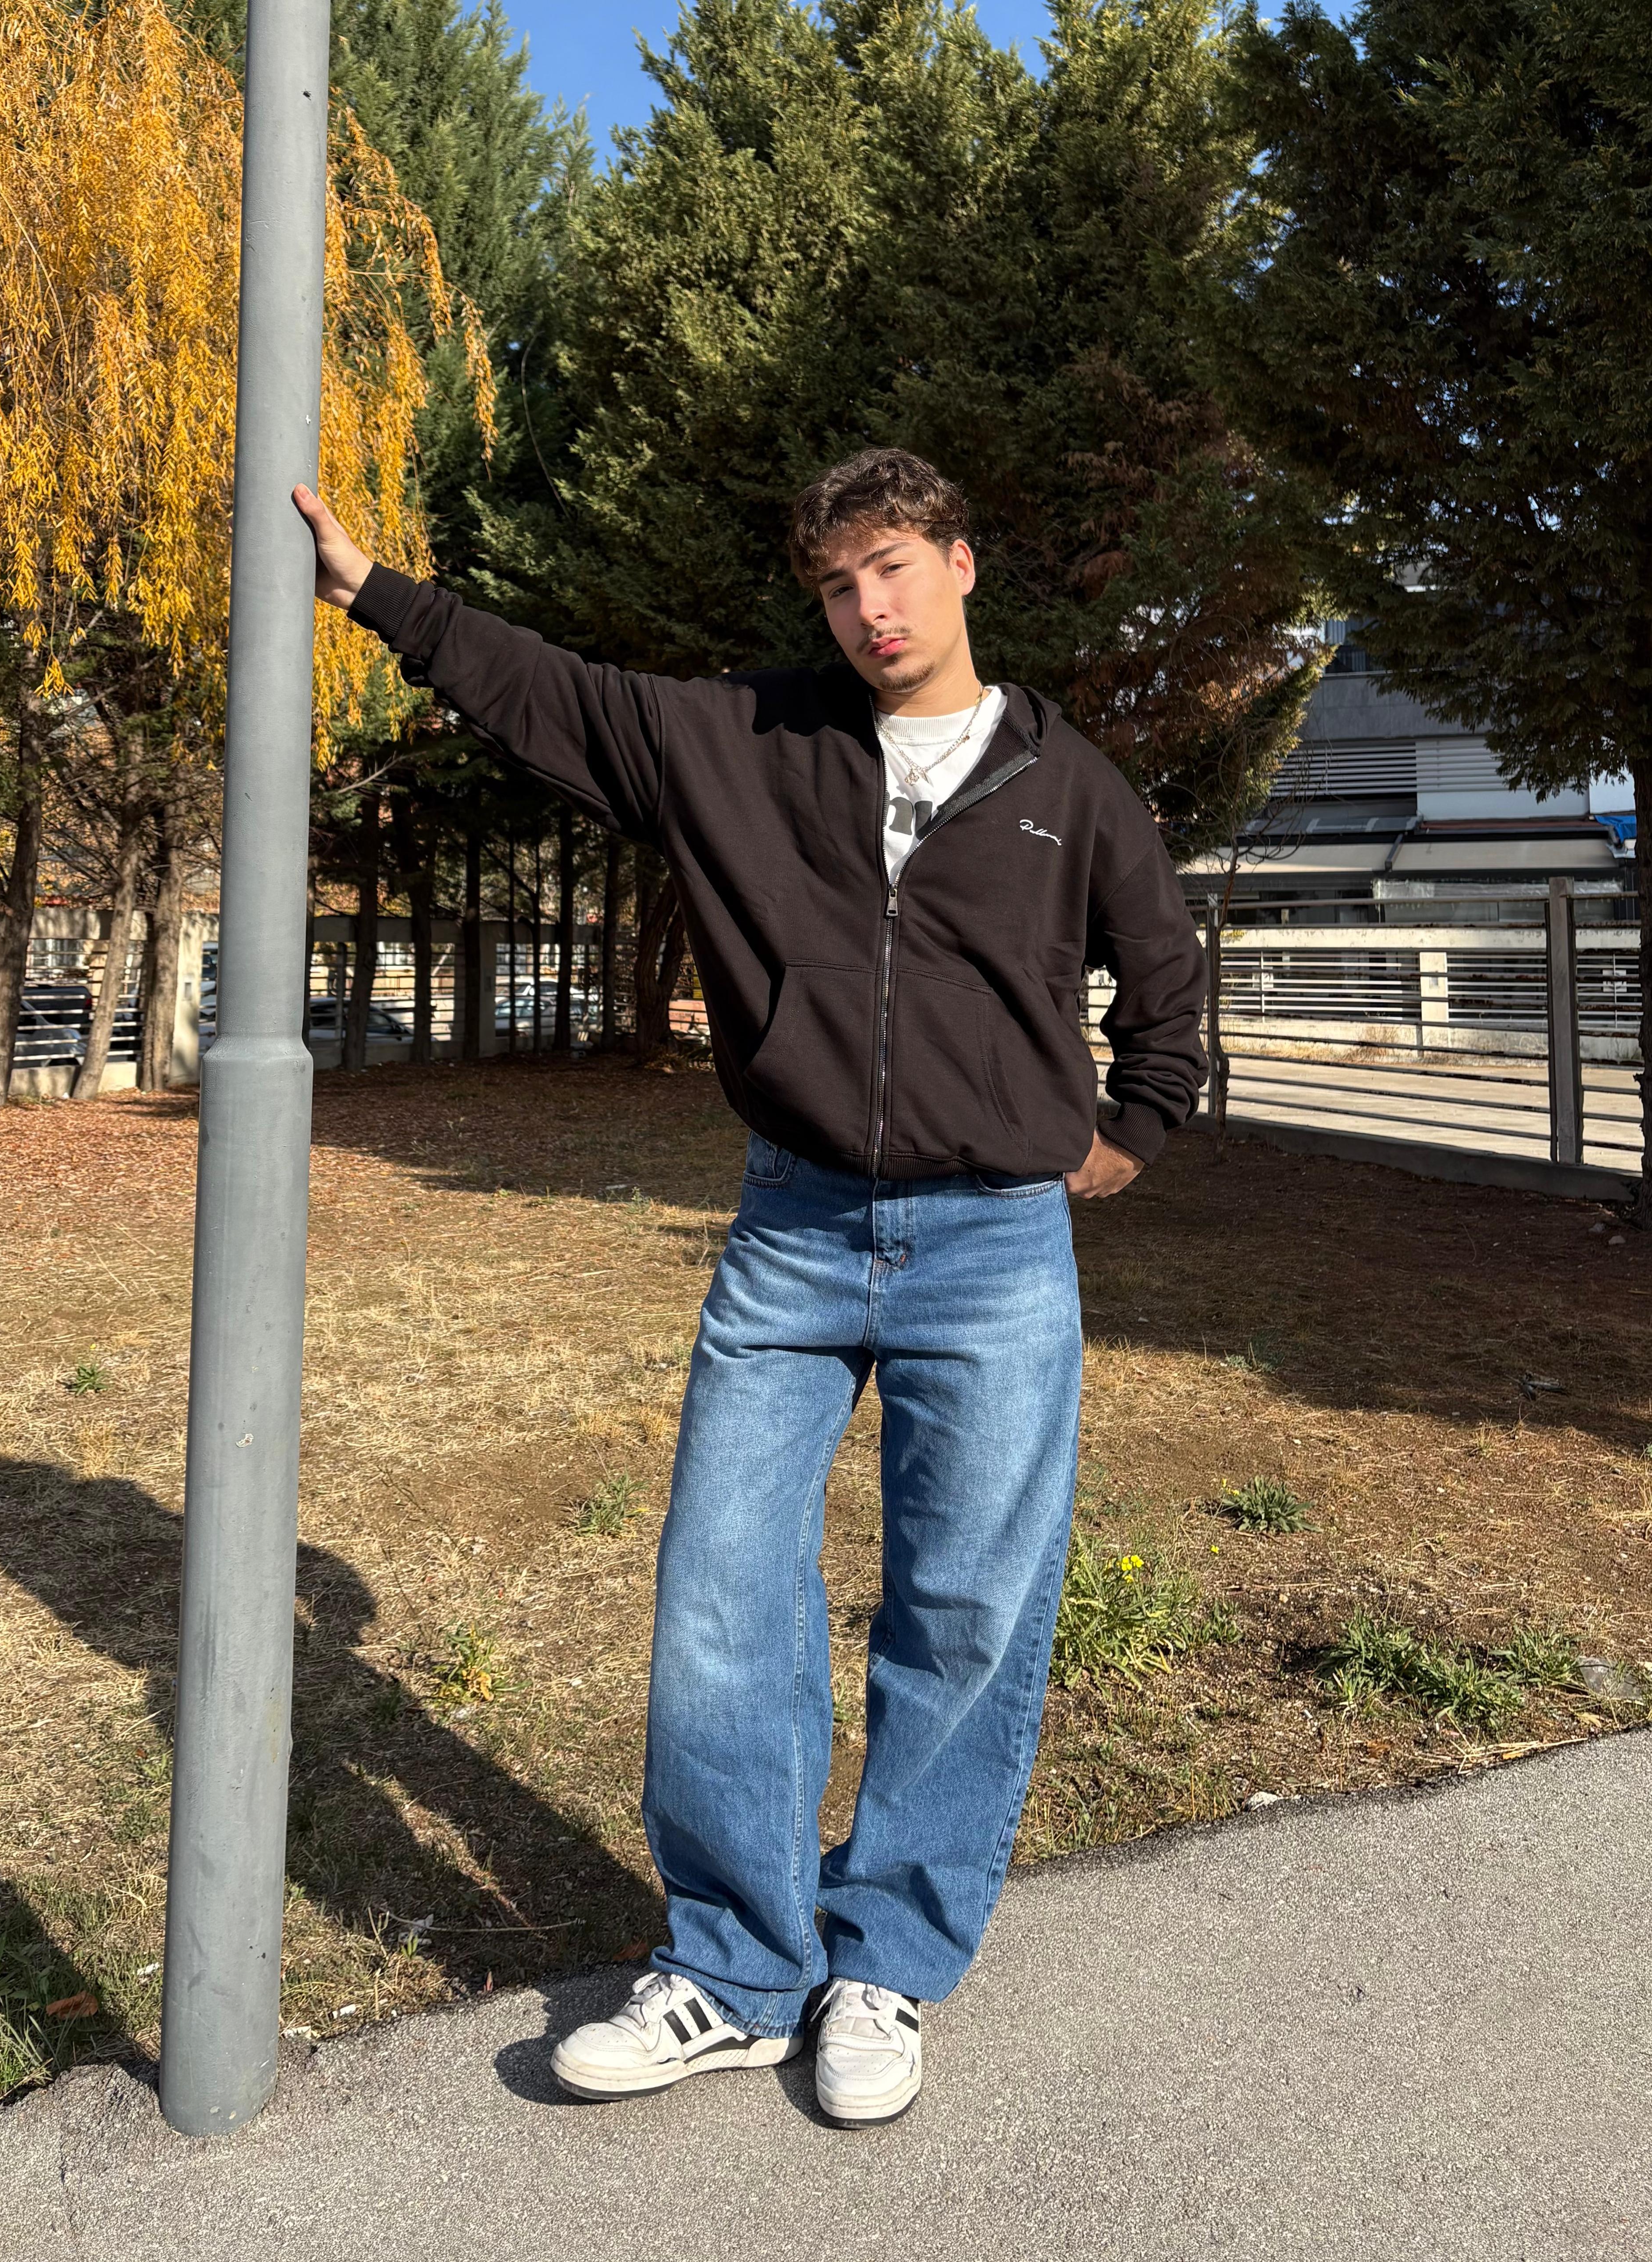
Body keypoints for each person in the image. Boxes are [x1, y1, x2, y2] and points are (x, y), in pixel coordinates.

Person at [296, 449, 1205, 2127]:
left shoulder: (1066, 782)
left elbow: (1164, 983)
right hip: (792, 1236)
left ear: (960, 562)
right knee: (724, 1590)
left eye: (895, 569)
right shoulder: (749, 741)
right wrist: (381, 600)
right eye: (840, 583)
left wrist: (1115, 1143)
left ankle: (888, 1966)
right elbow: (557, 699)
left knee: (965, 1614)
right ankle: (737, 1968)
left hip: (997, 1248)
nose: (870, 609)